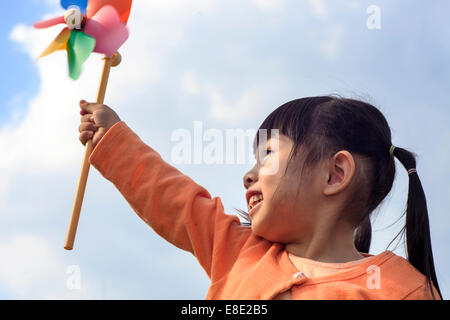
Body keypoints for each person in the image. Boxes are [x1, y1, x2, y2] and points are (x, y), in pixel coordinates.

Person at [78, 96, 442, 299]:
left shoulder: (402, 290)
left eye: (267, 155)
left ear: (334, 175)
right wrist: (115, 139)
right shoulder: (240, 251)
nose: (249, 174)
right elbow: (174, 199)